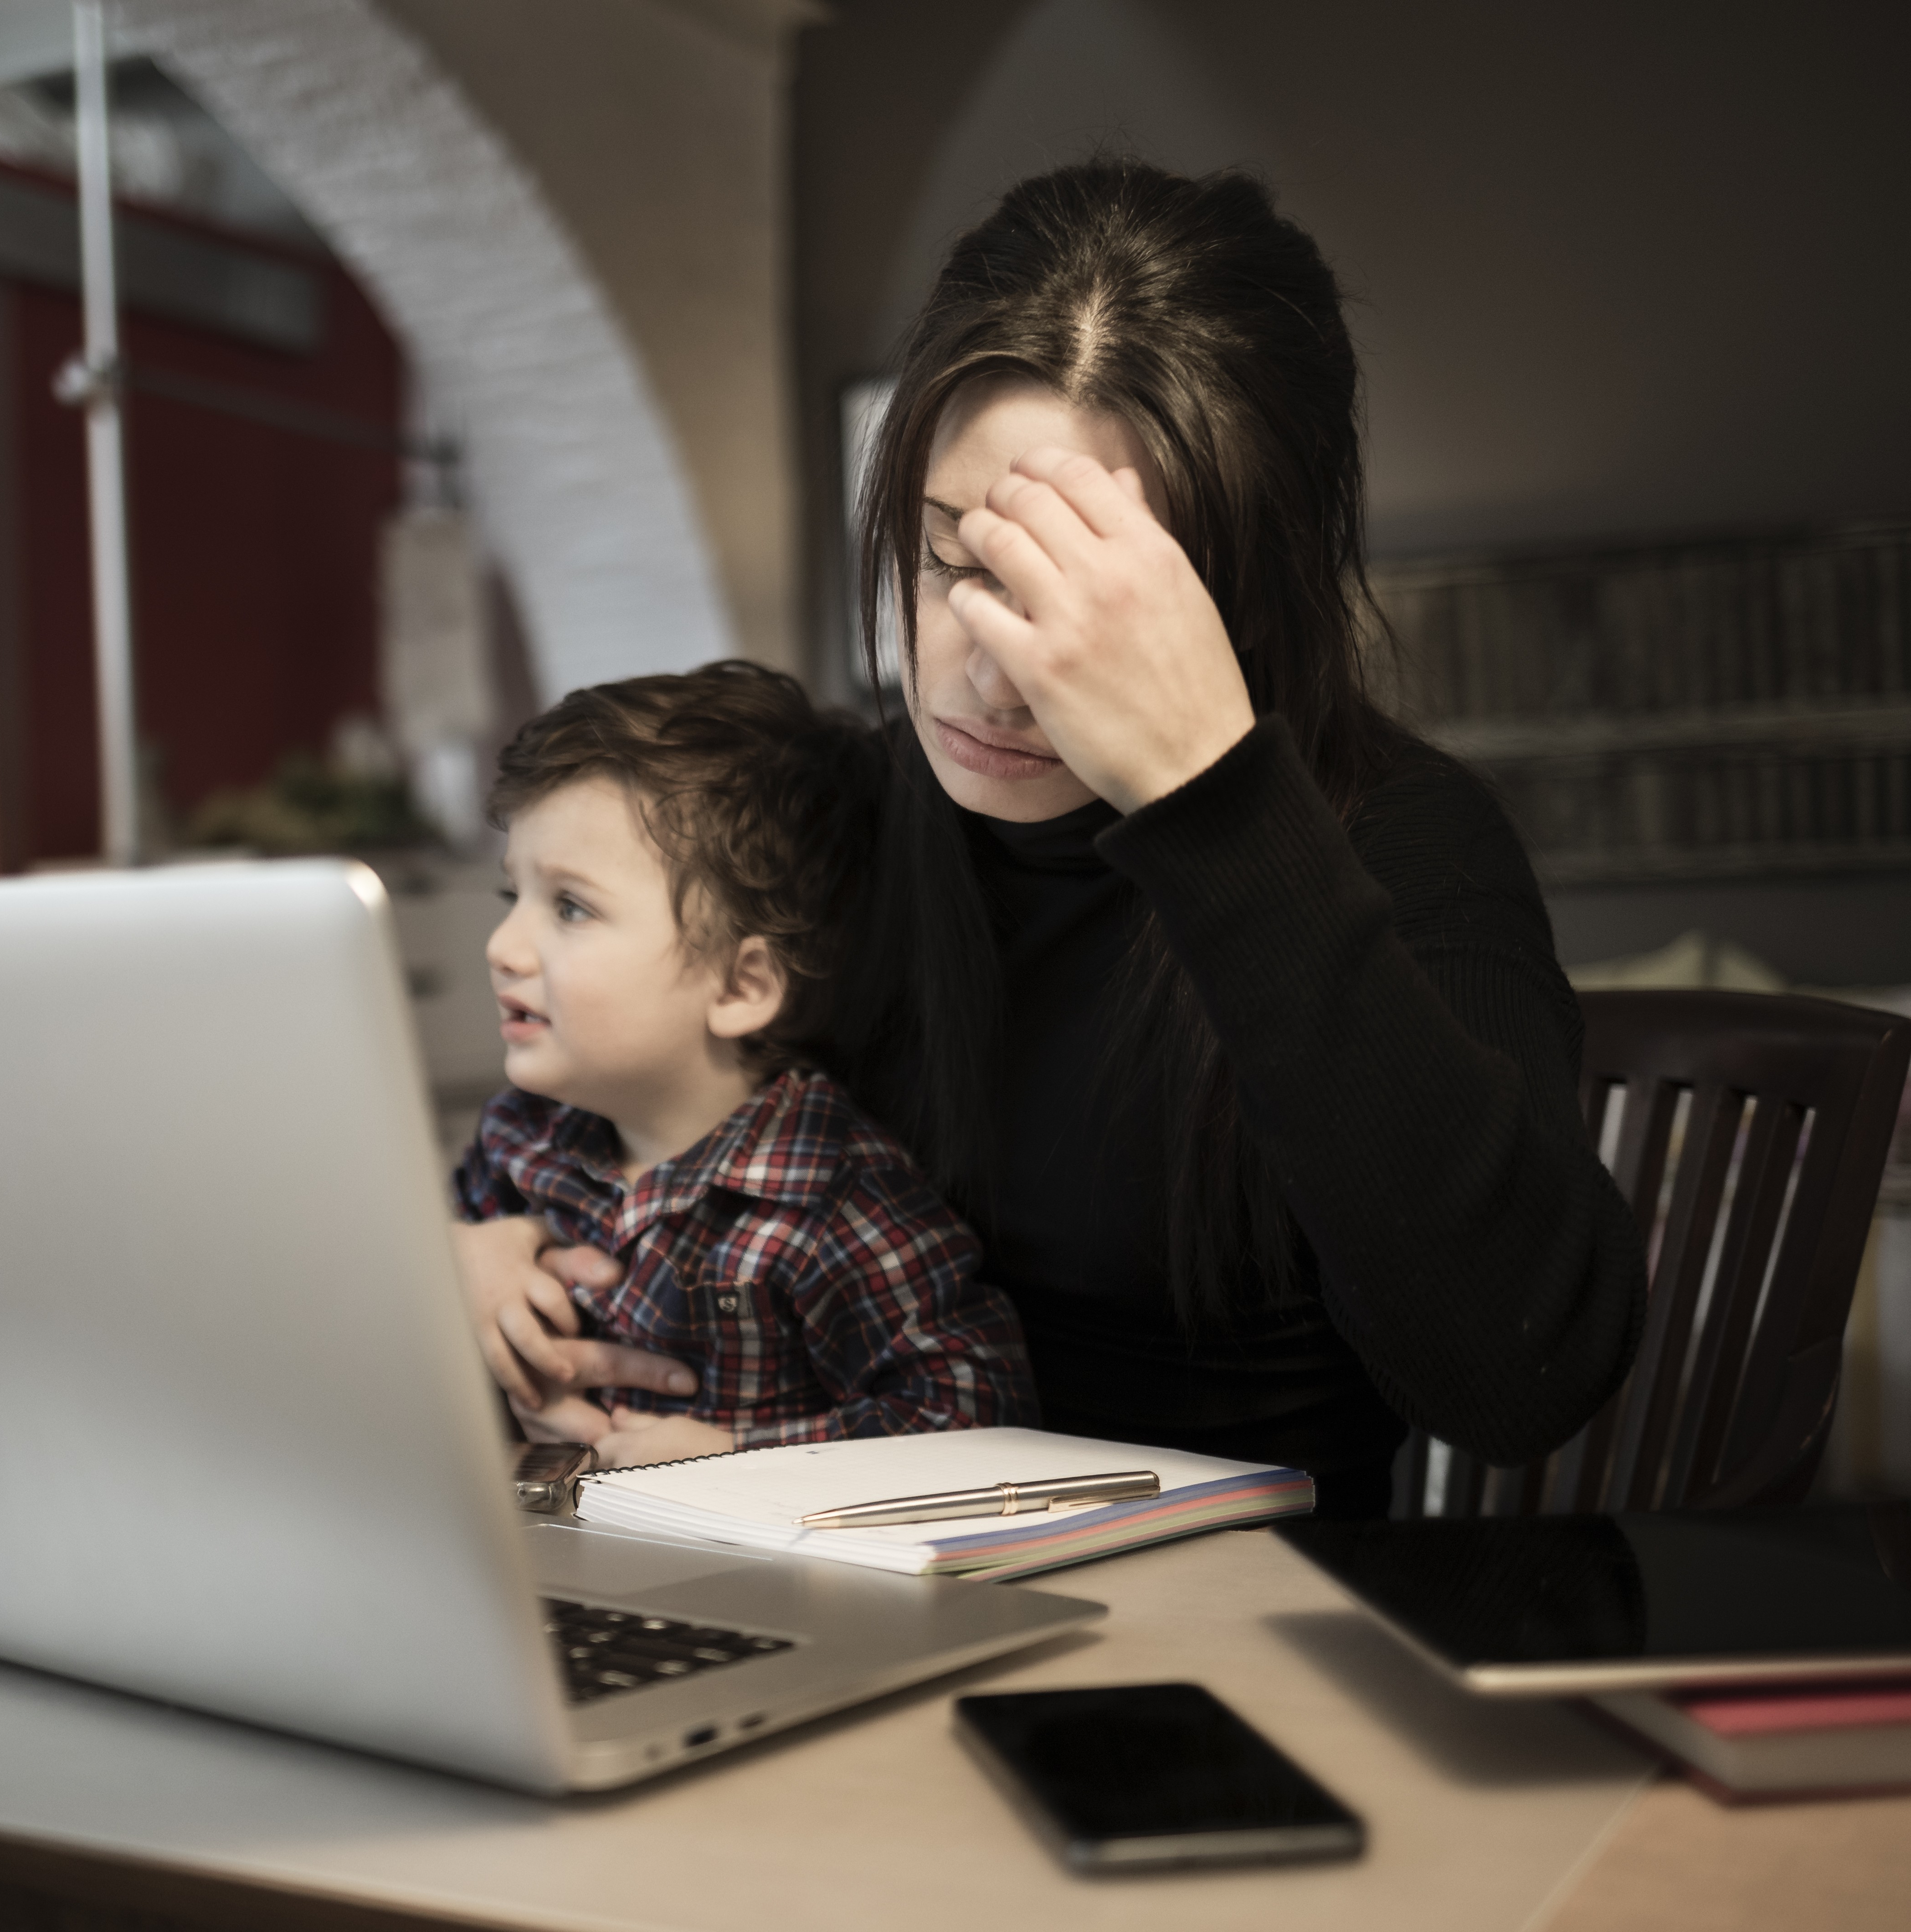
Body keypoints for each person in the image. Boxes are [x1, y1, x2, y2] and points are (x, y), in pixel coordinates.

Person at [459, 161, 1645, 1518]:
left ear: (1249, 599)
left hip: (1235, 1625)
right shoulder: (834, 816)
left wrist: (1216, 802)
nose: (992, 674)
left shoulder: (1401, 841)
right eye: (958, 561)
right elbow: (575, 1122)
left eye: (1091, 594)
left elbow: (1519, 1383)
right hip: (821, 1582)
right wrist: (459, 1252)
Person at [452, 661, 1037, 1468]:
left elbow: (977, 1411)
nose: (503, 947)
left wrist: (743, 1458)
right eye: (509, 896)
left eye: (571, 907)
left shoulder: (833, 1197)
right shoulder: (518, 1143)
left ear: (740, 984)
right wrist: (454, 1261)